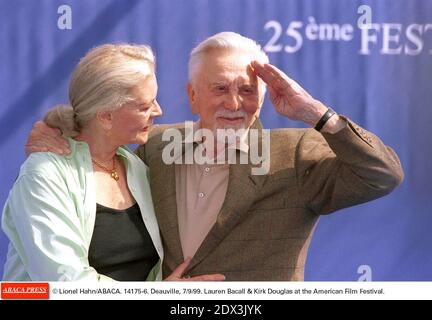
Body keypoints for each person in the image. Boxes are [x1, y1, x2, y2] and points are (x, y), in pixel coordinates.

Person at [25, 32, 404, 281]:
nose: (235, 103)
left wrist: (315, 114)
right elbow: (99, 128)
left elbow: (382, 175)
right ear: (192, 96)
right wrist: (56, 130)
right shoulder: (155, 146)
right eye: (220, 88)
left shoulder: (297, 153)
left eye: (247, 89)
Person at [2, 44, 225, 282]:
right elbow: (66, 283)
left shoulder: (137, 167)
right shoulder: (43, 176)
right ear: (106, 115)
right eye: (144, 106)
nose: (158, 111)